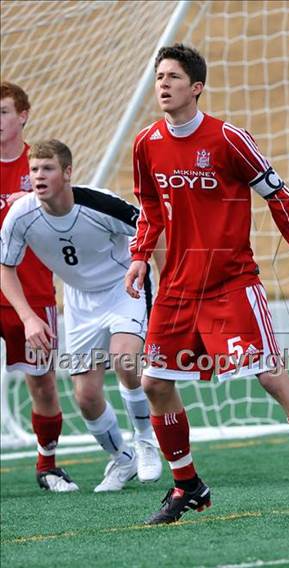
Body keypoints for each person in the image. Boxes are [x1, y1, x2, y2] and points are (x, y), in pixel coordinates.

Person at [125, 43, 289, 525]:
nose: (162, 84)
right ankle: (187, 485)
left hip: (231, 282)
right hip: (177, 288)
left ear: (196, 87)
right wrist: (140, 256)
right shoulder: (146, 143)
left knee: (269, 375)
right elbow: (149, 209)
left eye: (172, 77)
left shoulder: (229, 139)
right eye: (158, 77)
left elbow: (281, 197)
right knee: (153, 383)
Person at [1, 139, 162, 492]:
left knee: (125, 359)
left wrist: (166, 290)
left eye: (48, 169)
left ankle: (146, 440)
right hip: (79, 302)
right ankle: (122, 459)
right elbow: (6, 267)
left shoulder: (99, 203)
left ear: (68, 173)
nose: (38, 177)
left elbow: (153, 229)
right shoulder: (21, 216)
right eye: (33, 170)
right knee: (86, 397)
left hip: (124, 288)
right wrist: (28, 317)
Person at [0, 82, 78, 492]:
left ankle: (47, 466)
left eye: (3, 112)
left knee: (43, 383)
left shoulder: (39, 168)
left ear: (23, 115)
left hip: (31, 295)